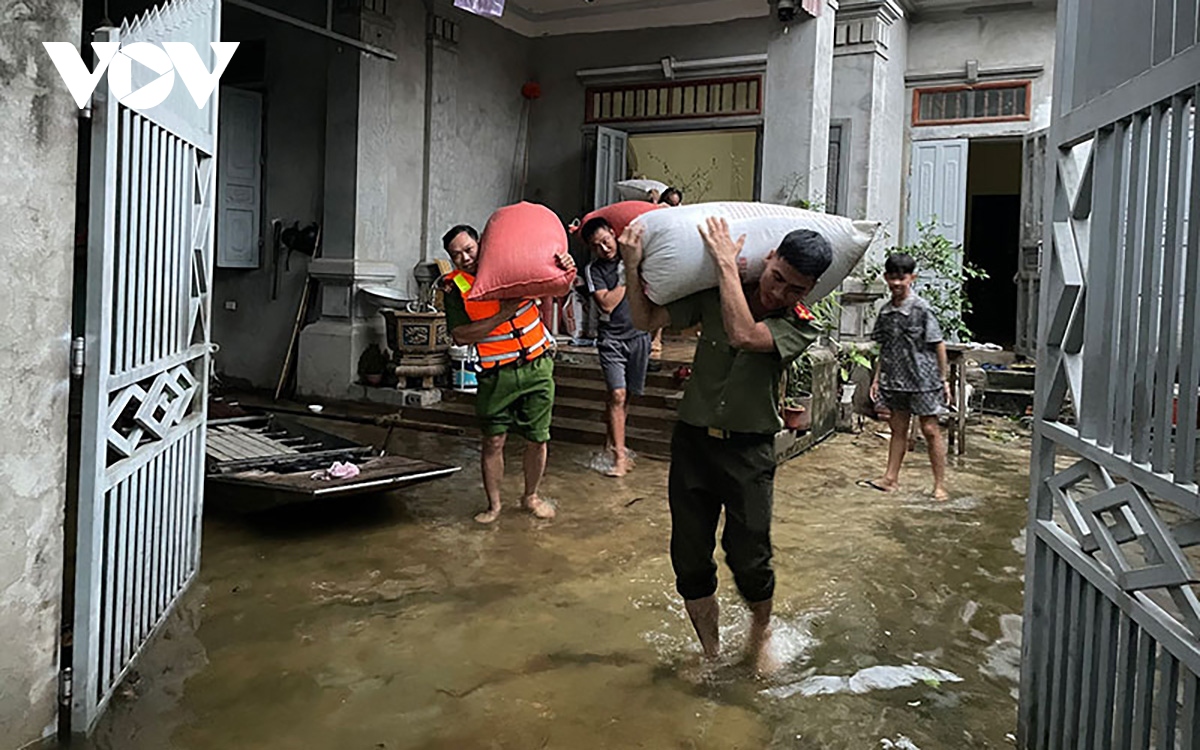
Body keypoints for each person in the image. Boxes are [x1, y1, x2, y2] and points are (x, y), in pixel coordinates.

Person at [619, 218, 832, 674]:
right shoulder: (715, 292)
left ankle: (760, 638)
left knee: (750, 556)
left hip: (749, 451)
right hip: (693, 443)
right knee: (689, 557)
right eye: (777, 278)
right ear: (769, 256)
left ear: (810, 290)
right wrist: (631, 264)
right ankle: (711, 653)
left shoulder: (799, 325)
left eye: (796, 289)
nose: (779, 294)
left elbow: (745, 335)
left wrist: (725, 267)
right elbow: (644, 319)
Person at [441, 224, 575, 524]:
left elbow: (558, 285)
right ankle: (495, 506)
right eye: (456, 255)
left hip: (537, 366)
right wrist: (503, 313)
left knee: (538, 438)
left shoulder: (515, 265)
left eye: (469, 249)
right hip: (495, 374)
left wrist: (567, 266)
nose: (464, 258)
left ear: (481, 244)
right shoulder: (454, 287)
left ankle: (531, 496)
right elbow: (461, 336)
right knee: (493, 441)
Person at [866, 252, 951, 501]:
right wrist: (876, 378)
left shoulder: (922, 309)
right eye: (892, 278)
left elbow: (938, 344)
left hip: (923, 380)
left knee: (930, 428)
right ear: (886, 278)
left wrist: (943, 379)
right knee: (898, 427)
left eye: (901, 278)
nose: (896, 283)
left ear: (911, 278)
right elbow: (883, 348)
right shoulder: (885, 312)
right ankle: (890, 478)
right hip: (895, 380)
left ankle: (940, 485)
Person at [581, 217, 653, 478]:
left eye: (606, 241)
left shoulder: (634, 256)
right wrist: (627, 275)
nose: (604, 248)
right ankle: (620, 457)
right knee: (618, 394)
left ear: (614, 234)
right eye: (596, 245)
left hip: (639, 335)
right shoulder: (594, 270)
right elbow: (607, 304)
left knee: (627, 396)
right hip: (611, 340)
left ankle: (611, 444)